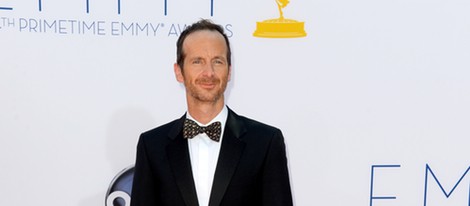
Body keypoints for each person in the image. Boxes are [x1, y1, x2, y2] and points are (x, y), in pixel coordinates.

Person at [130, 19, 293, 206]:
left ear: (229, 71)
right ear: (179, 71)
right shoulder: (152, 146)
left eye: (217, 61)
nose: (209, 72)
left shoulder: (265, 143)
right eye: (197, 61)